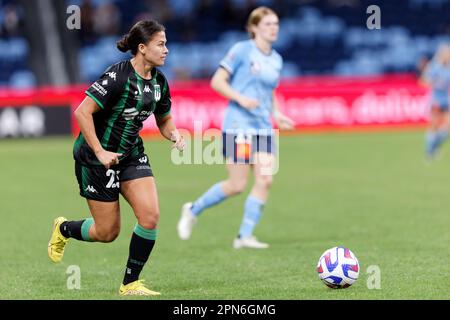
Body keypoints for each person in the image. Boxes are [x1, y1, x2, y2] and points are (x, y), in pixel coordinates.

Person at [47, 20, 185, 296]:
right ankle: (64, 228)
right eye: (161, 44)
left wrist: (175, 135)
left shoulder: (159, 82)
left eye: (166, 43)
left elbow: (164, 120)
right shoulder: (117, 76)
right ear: (142, 48)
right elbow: (82, 113)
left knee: (150, 216)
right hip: (95, 158)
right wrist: (100, 152)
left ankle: (130, 283)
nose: (166, 50)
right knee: (107, 232)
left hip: (132, 155)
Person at [177, 7, 294, 249]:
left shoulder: (276, 59)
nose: (274, 28)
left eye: (276, 24)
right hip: (238, 127)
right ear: (253, 28)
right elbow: (217, 81)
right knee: (237, 185)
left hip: (263, 128)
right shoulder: (241, 51)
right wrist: (240, 98)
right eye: (268, 24)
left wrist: (278, 114)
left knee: (265, 179)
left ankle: (244, 236)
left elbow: (270, 91)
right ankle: (193, 209)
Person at [423, 44, 450, 160]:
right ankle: (429, 151)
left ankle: (434, 144)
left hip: (445, 100)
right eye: (447, 54)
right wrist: (434, 82)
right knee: (434, 126)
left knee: (447, 127)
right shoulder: (434, 67)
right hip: (436, 100)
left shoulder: (448, 67)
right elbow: (424, 80)